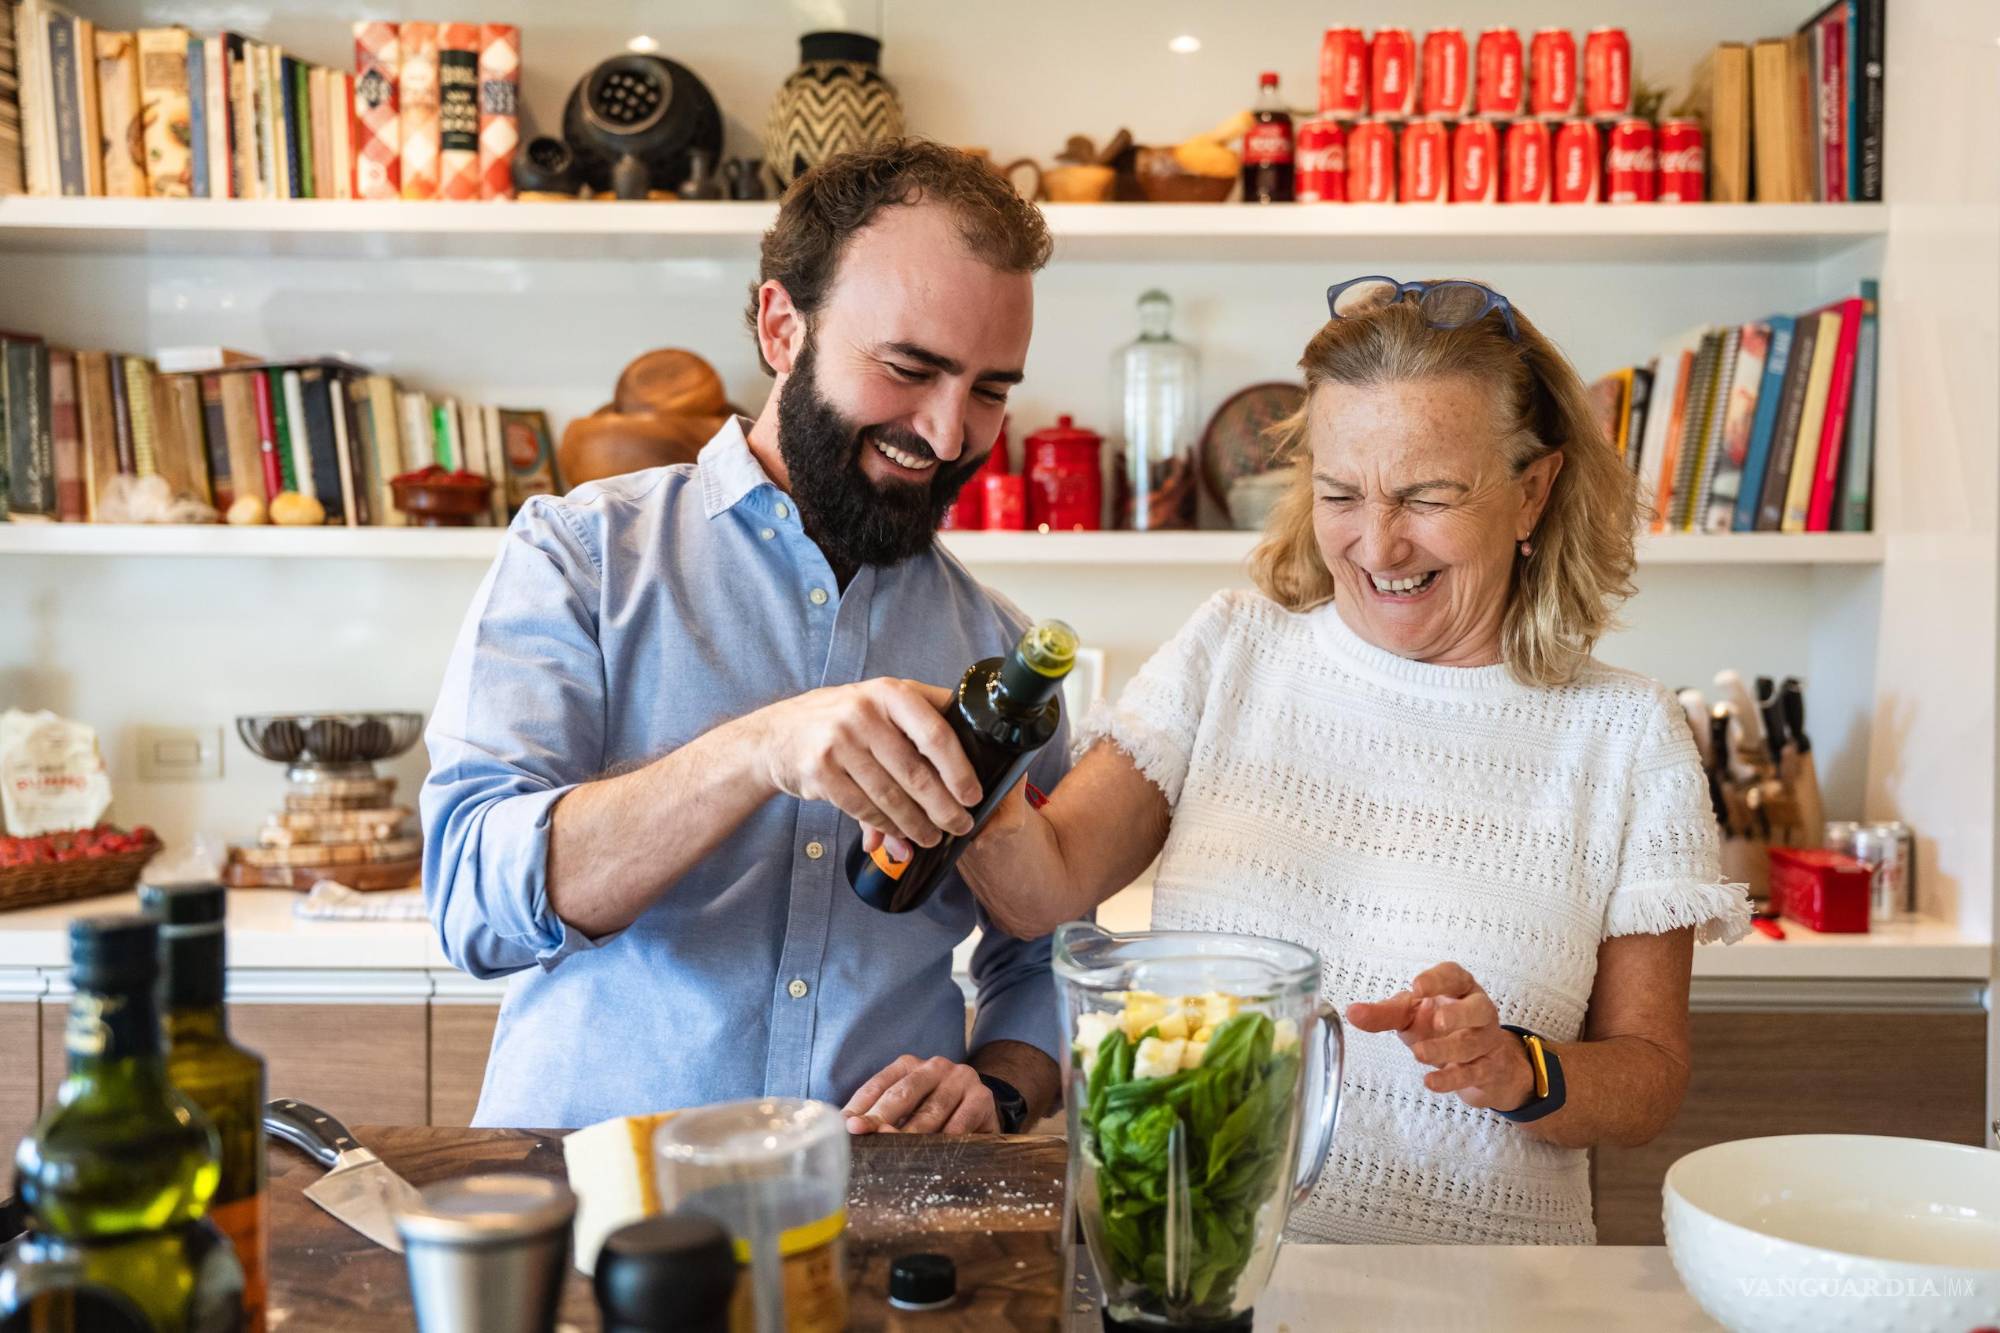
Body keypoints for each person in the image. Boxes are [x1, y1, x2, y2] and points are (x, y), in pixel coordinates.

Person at [952, 276, 1751, 1244]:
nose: (1376, 544)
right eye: (1340, 494)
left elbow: (1647, 1081)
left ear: (1530, 489)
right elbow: (1041, 887)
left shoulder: (1625, 735)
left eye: (1427, 495)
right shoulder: (1229, 651)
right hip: (1195, 1272)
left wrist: (1517, 1066)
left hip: (1484, 1299)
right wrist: (950, 781)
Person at [421, 139, 1068, 1135]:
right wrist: (756, 749)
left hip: (877, 1212)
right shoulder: (581, 556)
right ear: (780, 326)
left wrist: (1000, 1085)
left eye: (988, 390)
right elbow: (472, 899)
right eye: (908, 368)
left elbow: (1044, 953)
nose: (947, 436)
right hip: (597, 1203)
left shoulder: (997, 651)